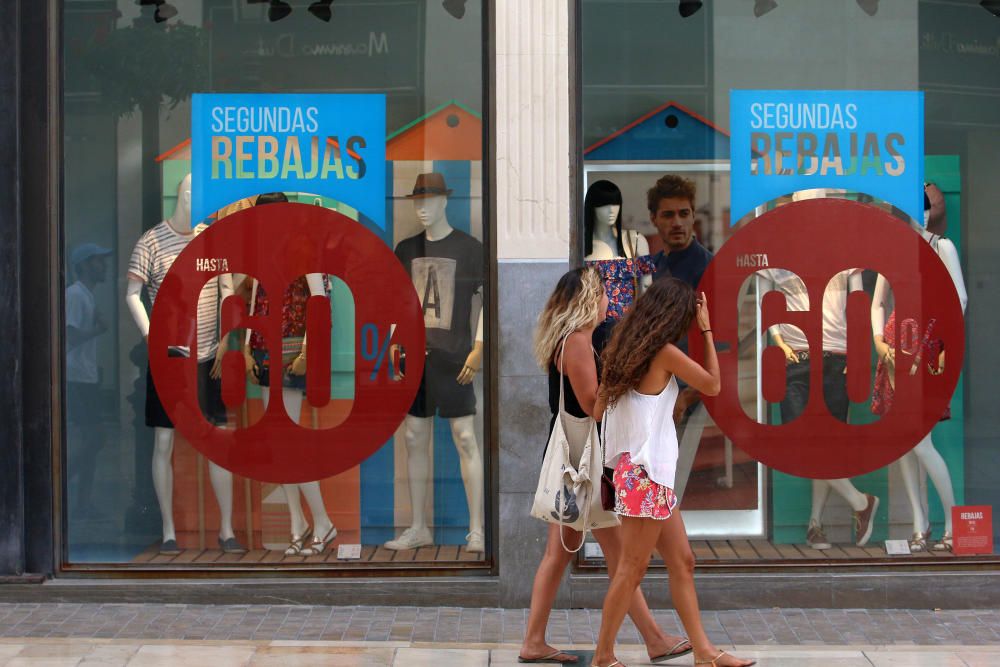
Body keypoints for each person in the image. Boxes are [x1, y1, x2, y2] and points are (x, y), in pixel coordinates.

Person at [519, 267, 692, 665]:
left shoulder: (570, 340)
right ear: (587, 300)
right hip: (584, 461)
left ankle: (649, 638)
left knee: (572, 554)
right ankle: (652, 639)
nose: (606, 302)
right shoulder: (577, 342)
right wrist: (629, 380)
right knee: (610, 555)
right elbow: (592, 404)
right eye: (601, 294)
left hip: (577, 459)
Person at [591, 278, 754, 667]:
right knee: (633, 568)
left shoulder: (623, 353)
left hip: (634, 473)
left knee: (682, 561)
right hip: (645, 476)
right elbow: (713, 384)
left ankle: (704, 653)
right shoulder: (663, 353)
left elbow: (598, 412)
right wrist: (708, 329)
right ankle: (602, 656)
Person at [66, 243, 112, 517]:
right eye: (97, 261)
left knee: (93, 440)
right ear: (83, 265)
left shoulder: (85, 296)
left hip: (85, 376)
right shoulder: (75, 296)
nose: (103, 266)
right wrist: (99, 329)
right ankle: (65, 486)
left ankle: (82, 503)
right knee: (95, 439)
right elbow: (70, 337)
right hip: (77, 378)